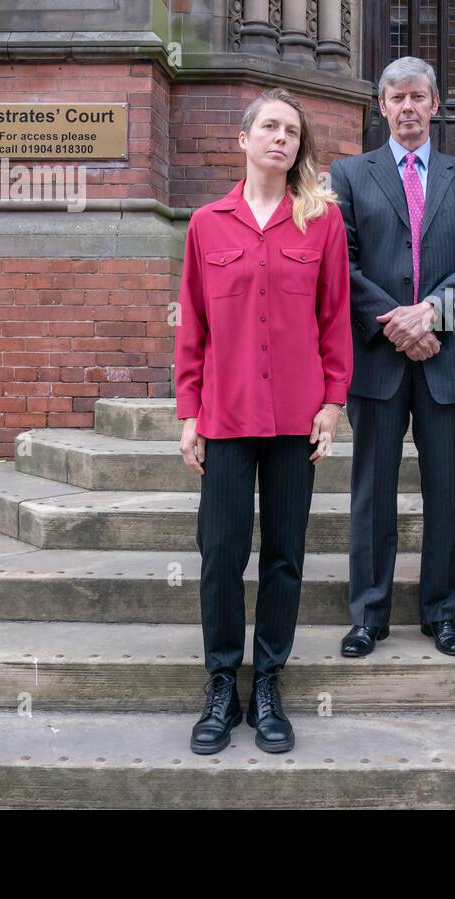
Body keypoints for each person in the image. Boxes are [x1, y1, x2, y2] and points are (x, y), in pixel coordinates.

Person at [175, 88, 351, 755]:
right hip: (224, 415)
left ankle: (268, 682)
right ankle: (222, 683)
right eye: (270, 127)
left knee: (284, 555)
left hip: (294, 419)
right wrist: (188, 412)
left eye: (292, 131)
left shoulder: (321, 222)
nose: (281, 138)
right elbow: (192, 325)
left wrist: (333, 403)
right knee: (221, 553)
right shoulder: (207, 224)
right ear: (243, 140)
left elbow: (335, 318)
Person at [330, 57, 455, 659]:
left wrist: (430, 313)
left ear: (435, 104)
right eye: (397, 98)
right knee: (371, 490)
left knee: (445, 491)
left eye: (418, 97)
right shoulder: (349, 174)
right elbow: (339, 265)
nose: (408, 107)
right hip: (377, 359)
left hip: (446, 355)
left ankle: (441, 613)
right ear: (381, 106)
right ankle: (369, 616)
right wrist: (398, 325)